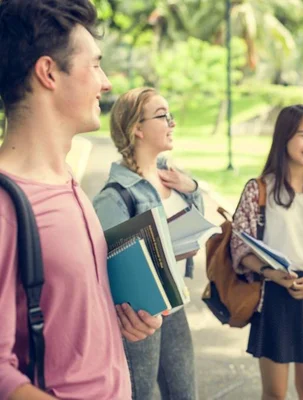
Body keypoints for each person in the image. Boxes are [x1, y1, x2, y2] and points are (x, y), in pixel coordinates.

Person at [0, 1, 159, 399]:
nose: (105, 83)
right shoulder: (6, 208)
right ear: (49, 72)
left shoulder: (68, 180)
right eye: (95, 66)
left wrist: (116, 315)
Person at [93, 87, 203, 400]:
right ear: (137, 129)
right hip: (139, 317)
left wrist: (192, 187)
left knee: (184, 394)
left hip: (175, 307)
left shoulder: (172, 176)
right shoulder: (114, 196)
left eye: (171, 115)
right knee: (137, 394)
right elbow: (107, 273)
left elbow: (195, 224)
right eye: (162, 115)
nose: (172, 122)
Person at [230, 104, 303, 400]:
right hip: (275, 292)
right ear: (284, 138)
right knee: (275, 393)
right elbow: (239, 244)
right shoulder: (259, 189)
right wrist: (271, 274)